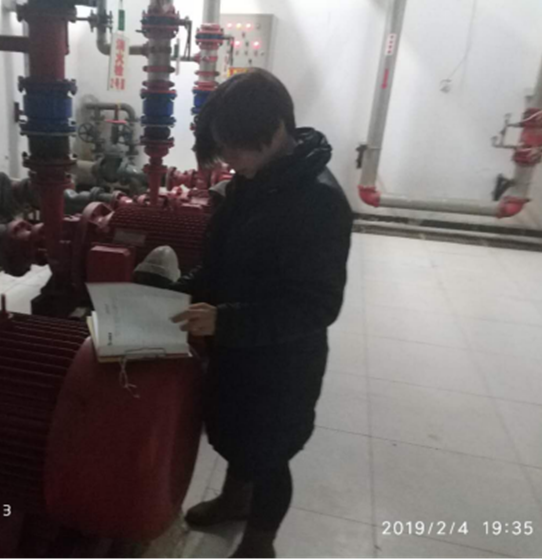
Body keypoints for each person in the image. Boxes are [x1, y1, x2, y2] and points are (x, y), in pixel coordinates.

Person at [170, 69, 353, 560]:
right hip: (237, 348)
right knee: (235, 434)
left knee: (269, 455)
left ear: (274, 131)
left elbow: (317, 305)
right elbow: (221, 262)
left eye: (233, 147)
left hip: (282, 363)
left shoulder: (319, 201)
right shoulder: (253, 182)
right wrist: (178, 293)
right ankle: (235, 500)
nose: (227, 159)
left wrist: (225, 320)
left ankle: (259, 544)